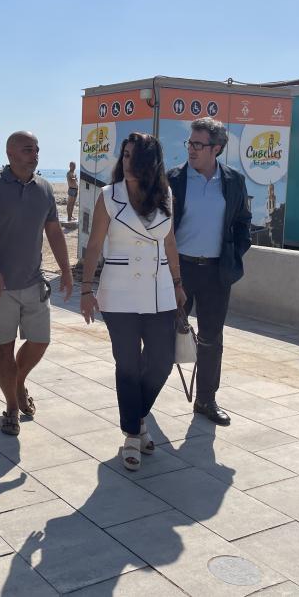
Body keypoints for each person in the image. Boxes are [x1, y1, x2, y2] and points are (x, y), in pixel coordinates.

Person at [79, 133, 185, 470]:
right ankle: (132, 433)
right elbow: (94, 245)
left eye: (134, 157)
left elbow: (170, 244)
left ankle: (137, 419)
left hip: (159, 291)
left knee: (161, 362)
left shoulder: (166, 194)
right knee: (127, 365)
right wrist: (86, 290)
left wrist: (178, 284)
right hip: (119, 293)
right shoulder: (109, 196)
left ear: (150, 162)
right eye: (124, 155)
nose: (127, 162)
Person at [0, 131, 73, 436]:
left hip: (33, 281)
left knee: (40, 341)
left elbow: (54, 231)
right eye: (28, 149)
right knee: (4, 349)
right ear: (10, 153)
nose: (35, 154)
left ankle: (18, 381)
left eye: (37, 149)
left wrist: (66, 271)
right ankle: (12, 407)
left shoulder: (44, 188)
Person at [168, 117, 251, 426]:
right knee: (163, 334)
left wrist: (233, 255)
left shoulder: (233, 181)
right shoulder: (173, 179)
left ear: (216, 148)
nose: (191, 149)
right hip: (179, 269)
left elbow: (242, 222)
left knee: (211, 338)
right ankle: (145, 394)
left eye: (198, 144)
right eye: (189, 143)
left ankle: (206, 400)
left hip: (216, 272)